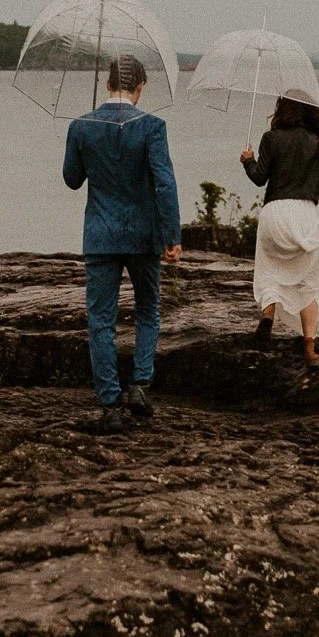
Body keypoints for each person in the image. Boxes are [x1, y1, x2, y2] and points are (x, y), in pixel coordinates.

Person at [63, 53, 182, 434]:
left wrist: (85, 144)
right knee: (148, 309)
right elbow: (164, 183)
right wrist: (172, 236)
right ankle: (141, 384)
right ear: (140, 87)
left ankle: (111, 405)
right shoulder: (152, 126)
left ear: (107, 84)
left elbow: (71, 179)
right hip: (143, 234)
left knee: (101, 321)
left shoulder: (82, 125)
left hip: (100, 236)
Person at [240, 94, 319, 366]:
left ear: (281, 110)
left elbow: (259, 178)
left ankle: (268, 312)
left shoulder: (270, 138)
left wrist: (247, 160)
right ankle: (309, 347)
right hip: (306, 214)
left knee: (270, 270)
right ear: (309, 113)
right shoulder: (317, 142)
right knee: (311, 280)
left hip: (275, 213)